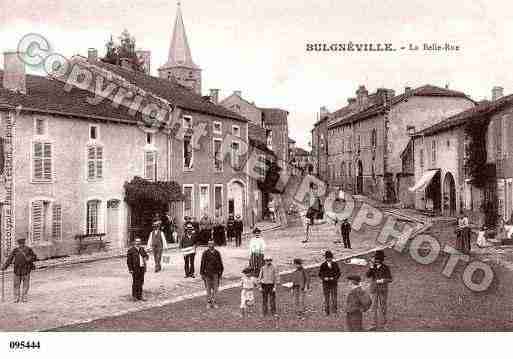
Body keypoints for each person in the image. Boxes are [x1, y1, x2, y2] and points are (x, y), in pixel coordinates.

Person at [1, 238, 37, 303]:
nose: (21, 245)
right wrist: (4, 267)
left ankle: (24, 297)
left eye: (22, 243)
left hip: (26, 270)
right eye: (20, 243)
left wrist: (30, 258)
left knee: (25, 284)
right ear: (19, 244)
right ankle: (16, 298)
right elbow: (10, 259)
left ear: (24, 243)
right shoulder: (15, 250)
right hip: (17, 271)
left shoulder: (29, 249)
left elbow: (35, 257)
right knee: (16, 284)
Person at [366, 250, 393, 330]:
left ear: (381, 260)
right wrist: (370, 267)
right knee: (373, 307)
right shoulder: (372, 267)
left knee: (383, 307)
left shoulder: (386, 268)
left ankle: (384, 324)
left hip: (382, 290)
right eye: (375, 259)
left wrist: (382, 280)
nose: (376, 260)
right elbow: (367, 275)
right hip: (374, 289)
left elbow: (390, 279)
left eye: (378, 259)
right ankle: (373, 324)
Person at [200, 240, 224, 309]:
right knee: (208, 289)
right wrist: (202, 273)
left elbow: (220, 263)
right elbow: (202, 263)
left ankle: (215, 302)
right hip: (207, 273)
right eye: (209, 243)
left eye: (212, 243)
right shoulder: (205, 253)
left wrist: (221, 272)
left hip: (215, 273)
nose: (211, 245)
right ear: (208, 245)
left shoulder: (217, 253)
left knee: (215, 289)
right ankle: (209, 302)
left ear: (214, 244)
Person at [318, 250, 340, 316]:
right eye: (328, 258)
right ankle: (327, 311)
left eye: (330, 258)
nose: (329, 259)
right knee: (326, 298)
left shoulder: (335, 264)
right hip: (325, 284)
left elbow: (338, 273)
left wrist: (334, 278)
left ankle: (334, 311)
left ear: (332, 258)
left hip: (334, 283)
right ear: (326, 258)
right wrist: (324, 278)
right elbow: (320, 274)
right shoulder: (323, 265)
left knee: (334, 297)